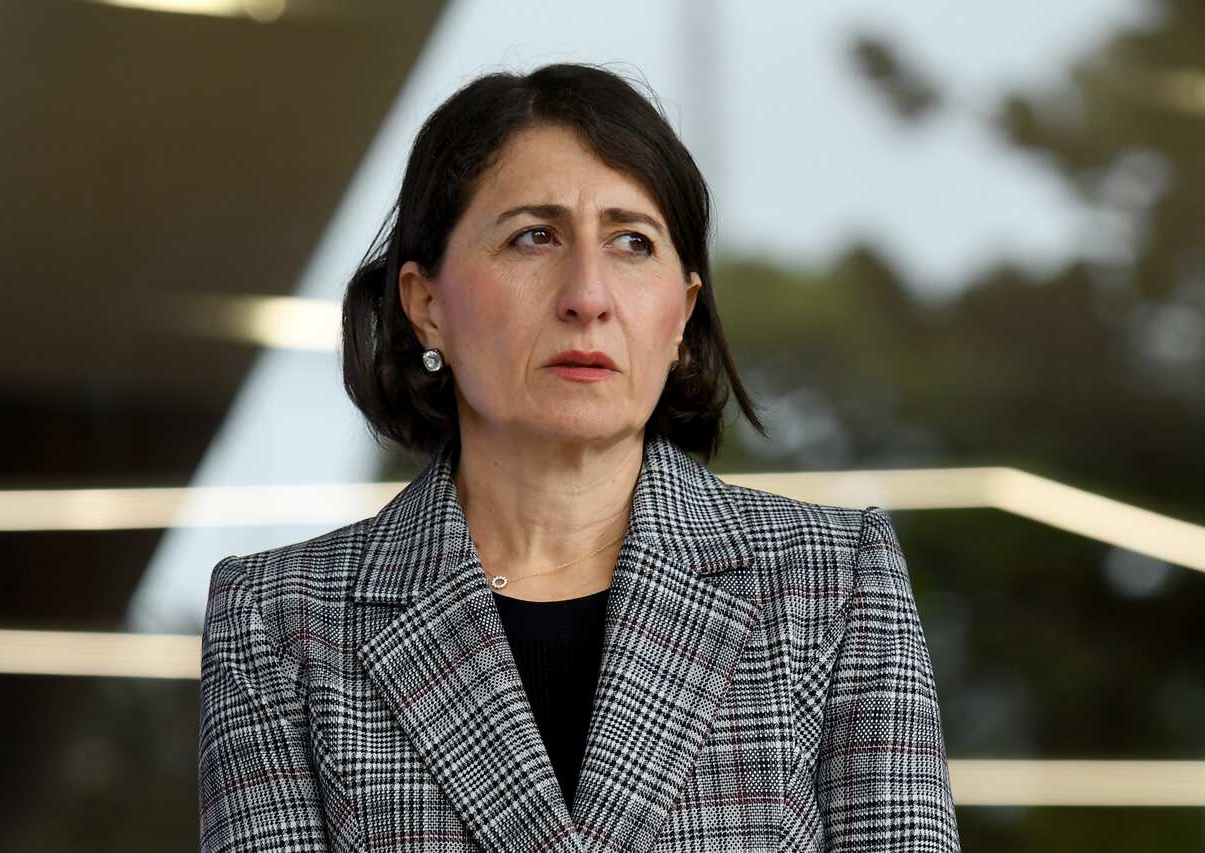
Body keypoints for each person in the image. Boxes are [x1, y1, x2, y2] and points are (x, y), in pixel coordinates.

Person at [198, 62, 961, 852]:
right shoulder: (282, 621)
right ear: (426, 304)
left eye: (633, 242)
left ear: (681, 315)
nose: (587, 295)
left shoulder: (831, 584)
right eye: (535, 236)